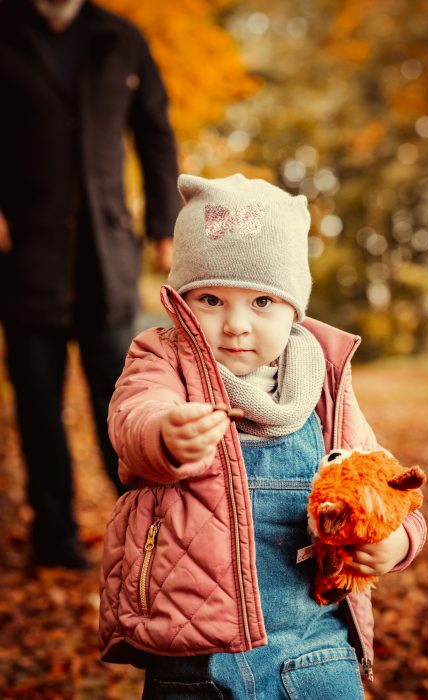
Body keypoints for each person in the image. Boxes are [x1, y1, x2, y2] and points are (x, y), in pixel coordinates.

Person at [99, 174, 427, 698]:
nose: (234, 325)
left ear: (293, 309)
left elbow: (386, 483)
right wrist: (165, 434)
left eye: (261, 303)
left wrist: (398, 542)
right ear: (181, 304)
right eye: (209, 299)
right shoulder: (163, 358)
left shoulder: (321, 377)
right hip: (193, 653)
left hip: (314, 647)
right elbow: (132, 416)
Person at [0, 0, 181, 569]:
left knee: (123, 400)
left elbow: (155, 130)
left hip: (106, 258)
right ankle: (54, 538)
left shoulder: (121, 38)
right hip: (25, 257)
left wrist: (163, 226)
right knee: (37, 404)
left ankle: (146, 534)